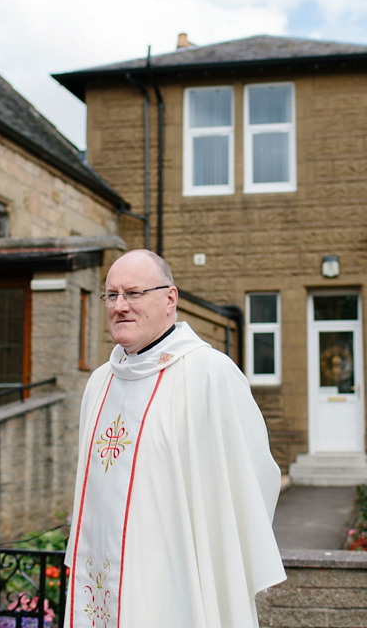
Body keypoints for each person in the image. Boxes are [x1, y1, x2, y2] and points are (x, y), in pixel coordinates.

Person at [63, 249, 285, 627]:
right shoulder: (100, 382)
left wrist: (211, 557)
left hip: (180, 580)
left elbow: (254, 479)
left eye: (133, 293)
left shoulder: (209, 374)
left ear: (170, 299)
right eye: (111, 295)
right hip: (105, 582)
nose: (120, 306)